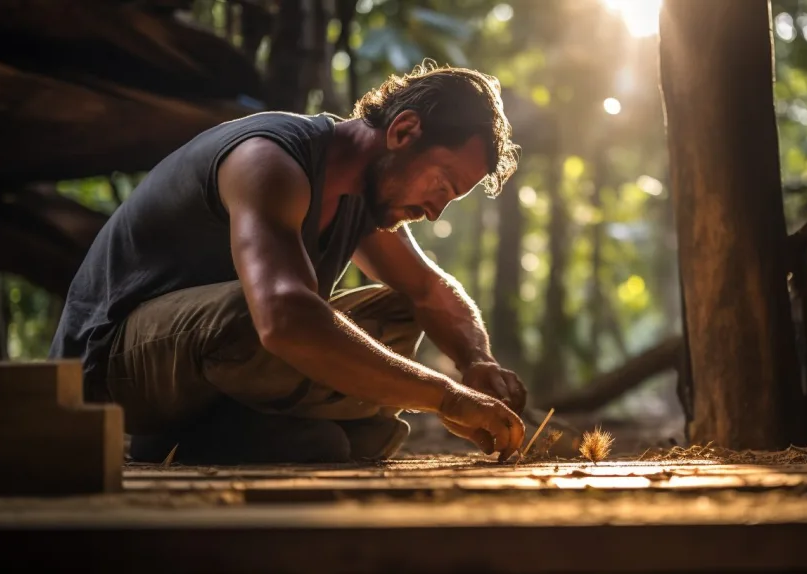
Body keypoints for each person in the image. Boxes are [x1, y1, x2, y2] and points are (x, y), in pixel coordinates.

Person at [49, 62, 528, 465]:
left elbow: (429, 293)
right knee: (266, 309)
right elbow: (281, 320)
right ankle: (170, 430)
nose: (435, 210)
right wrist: (444, 396)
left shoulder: (362, 198)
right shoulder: (268, 160)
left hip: (220, 371)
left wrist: (476, 361)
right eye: (441, 184)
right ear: (403, 131)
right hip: (110, 374)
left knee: (399, 314)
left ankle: (218, 433)